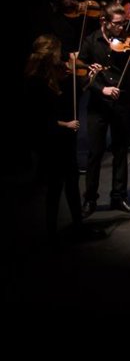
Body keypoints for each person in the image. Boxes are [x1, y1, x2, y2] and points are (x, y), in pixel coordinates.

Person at [78, 3, 130, 216]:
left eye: (123, 23)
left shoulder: (126, 40)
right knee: (95, 153)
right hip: (98, 105)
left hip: (121, 103)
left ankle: (119, 197)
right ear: (104, 22)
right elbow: (81, 72)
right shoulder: (91, 41)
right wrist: (102, 89)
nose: (121, 28)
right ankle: (90, 199)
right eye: (117, 24)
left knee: (120, 151)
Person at [23, 35, 89, 241]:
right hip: (51, 139)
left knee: (72, 182)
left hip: (64, 139)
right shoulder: (35, 81)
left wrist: (89, 77)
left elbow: (74, 94)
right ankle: (52, 232)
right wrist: (65, 124)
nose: (62, 57)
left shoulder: (56, 74)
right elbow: (40, 119)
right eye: (58, 53)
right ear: (50, 54)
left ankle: (78, 225)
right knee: (55, 186)